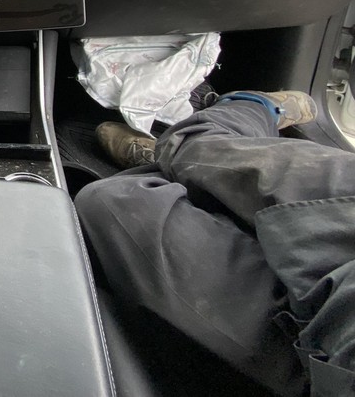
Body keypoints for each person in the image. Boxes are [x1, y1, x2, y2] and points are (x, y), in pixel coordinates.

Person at [76, 91, 355, 397]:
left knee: (114, 202)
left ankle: (177, 166)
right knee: (197, 147)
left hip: (318, 349)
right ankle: (253, 107)